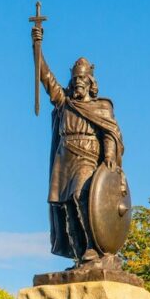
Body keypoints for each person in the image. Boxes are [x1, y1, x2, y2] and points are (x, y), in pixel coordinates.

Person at [32, 26, 124, 266]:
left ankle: (95, 247)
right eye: (75, 79)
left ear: (90, 81)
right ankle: (79, 253)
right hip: (64, 161)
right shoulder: (65, 103)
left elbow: (109, 133)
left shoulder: (102, 107)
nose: (78, 83)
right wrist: (37, 47)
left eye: (82, 79)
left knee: (80, 197)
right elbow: (46, 78)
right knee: (65, 206)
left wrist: (110, 154)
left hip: (87, 157)